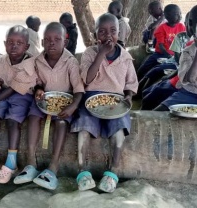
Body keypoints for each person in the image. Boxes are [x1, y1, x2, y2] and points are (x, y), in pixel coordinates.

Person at [71, 13, 138, 193]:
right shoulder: (89, 53)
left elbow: (131, 82)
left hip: (115, 102)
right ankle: (82, 171)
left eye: (113, 31)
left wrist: (129, 96)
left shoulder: (125, 57)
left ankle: (113, 171)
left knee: (120, 126)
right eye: (102, 31)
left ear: (119, 34)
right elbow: (86, 78)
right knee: (84, 126)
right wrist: (100, 54)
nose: (108, 35)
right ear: (94, 36)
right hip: (90, 100)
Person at [13, 22, 84, 190]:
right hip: (44, 101)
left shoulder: (71, 62)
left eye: (57, 39)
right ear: (43, 42)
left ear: (65, 43)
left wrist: (73, 106)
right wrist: (38, 90)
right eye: (47, 40)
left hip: (64, 103)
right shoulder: (37, 61)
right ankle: (31, 163)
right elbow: (37, 82)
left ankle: (53, 167)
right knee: (32, 116)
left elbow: (79, 88)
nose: (52, 43)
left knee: (61, 122)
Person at [0, 25, 38, 184]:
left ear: (27, 46)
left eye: (19, 43)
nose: (14, 46)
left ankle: (11, 162)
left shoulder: (30, 64)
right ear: (4, 44)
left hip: (23, 96)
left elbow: (14, 89)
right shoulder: (0, 62)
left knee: (12, 121)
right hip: (3, 94)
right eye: (10, 42)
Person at [154, 6, 197, 111]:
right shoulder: (189, 50)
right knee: (159, 111)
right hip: (191, 94)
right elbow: (189, 79)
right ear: (192, 25)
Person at [138, 12, 191, 94]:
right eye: (191, 24)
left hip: (183, 69)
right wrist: (171, 57)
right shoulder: (180, 36)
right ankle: (139, 90)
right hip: (174, 62)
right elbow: (176, 57)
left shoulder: (182, 30)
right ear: (186, 23)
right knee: (154, 70)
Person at [137, 4, 185, 81]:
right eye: (177, 14)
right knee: (145, 66)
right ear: (168, 16)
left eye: (180, 13)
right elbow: (161, 46)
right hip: (161, 54)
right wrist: (168, 56)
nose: (180, 16)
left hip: (175, 56)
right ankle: (137, 81)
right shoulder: (161, 28)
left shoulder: (181, 27)